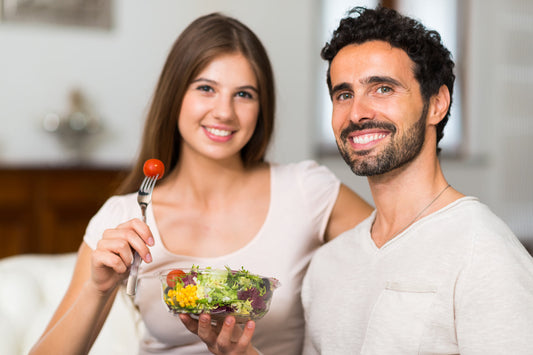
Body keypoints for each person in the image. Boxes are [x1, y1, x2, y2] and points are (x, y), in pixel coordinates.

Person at [29, 13, 372, 355]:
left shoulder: (306, 191)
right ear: (175, 94)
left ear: (261, 107)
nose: (224, 112)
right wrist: (97, 289)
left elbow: (402, 253)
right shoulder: (124, 216)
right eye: (206, 88)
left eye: (244, 94)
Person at [301, 6, 533, 355]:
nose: (358, 112)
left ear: (437, 104)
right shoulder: (327, 264)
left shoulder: (483, 251)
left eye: (382, 89)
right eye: (344, 94)